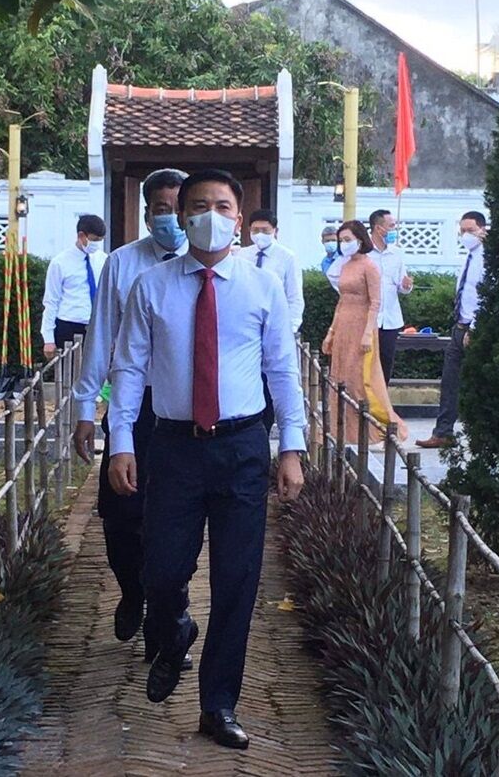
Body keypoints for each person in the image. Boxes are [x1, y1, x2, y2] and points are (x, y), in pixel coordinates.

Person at [107, 169, 306, 749]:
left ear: (239, 219)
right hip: (172, 446)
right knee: (162, 570)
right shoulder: (152, 287)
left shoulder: (262, 288)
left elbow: (282, 370)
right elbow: (129, 367)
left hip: (242, 446)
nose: (210, 216)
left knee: (236, 580)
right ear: (181, 215)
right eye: (198, 206)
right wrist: (121, 441)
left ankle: (218, 705)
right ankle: (173, 628)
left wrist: (291, 446)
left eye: (222, 206)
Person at [71, 169, 190, 663]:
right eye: (161, 209)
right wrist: (85, 407)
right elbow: (101, 336)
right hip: (131, 408)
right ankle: (132, 591)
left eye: (178, 209)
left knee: (178, 522)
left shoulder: (207, 263)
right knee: (121, 516)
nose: (171, 218)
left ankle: (168, 623)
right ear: (147, 213)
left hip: (184, 411)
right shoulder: (122, 264)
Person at [321, 220, 407, 445]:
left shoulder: (370, 266)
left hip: (362, 327)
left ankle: (370, 429)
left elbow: (375, 302)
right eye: (341, 240)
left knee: (359, 379)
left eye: (347, 239)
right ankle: (341, 429)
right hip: (343, 326)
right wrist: (331, 332)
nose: (343, 244)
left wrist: (369, 332)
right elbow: (341, 301)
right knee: (340, 376)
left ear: (360, 240)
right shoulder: (345, 265)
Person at [416, 211, 488, 449]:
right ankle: (443, 432)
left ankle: (481, 435)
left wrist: (474, 328)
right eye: (462, 230)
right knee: (449, 381)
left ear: (482, 229)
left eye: (470, 230)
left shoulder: (487, 258)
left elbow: (487, 296)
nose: (465, 235)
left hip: (475, 328)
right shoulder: (470, 257)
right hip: (459, 326)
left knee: (478, 383)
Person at [235, 208, 304, 431]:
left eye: (265, 230)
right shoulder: (241, 256)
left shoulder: (287, 257)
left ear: (275, 231)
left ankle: (271, 423)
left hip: (275, 329)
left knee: (273, 380)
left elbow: (294, 297)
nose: (260, 235)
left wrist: (290, 330)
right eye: (255, 230)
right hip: (246, 329)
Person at [40, 214, 107, 358]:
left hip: (97, 326)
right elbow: (51, 301)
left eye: (100, 240)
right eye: (94, 240)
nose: (97, 244)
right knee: (69, 369)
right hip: (69, 325)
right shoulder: (60, 263)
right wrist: (48, 339)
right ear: (81, 236)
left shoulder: (103, 260)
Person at [367, 209, 413, 384]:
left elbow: (402, 285)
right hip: (368, 318)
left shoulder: (397, 253)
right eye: (391, 226)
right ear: (378, 228)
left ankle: (382, 397)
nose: (394, 230)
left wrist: (406, 286)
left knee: (386, 361)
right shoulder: (363, 252)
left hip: (390, 318)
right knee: (367, 362)